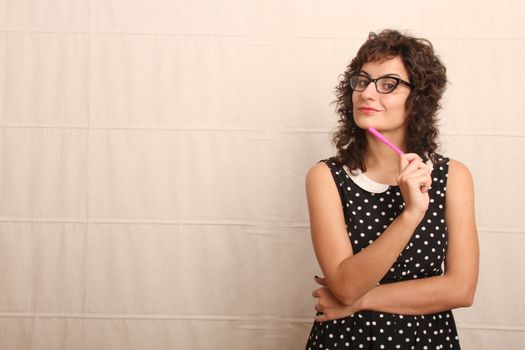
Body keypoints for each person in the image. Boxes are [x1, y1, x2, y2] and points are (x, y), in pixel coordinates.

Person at [304, 30, 479, 350]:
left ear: (418, 99)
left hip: (427, 342)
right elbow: (344, 286)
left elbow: (461, 289)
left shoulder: (453, 176)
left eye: (388, 85)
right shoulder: (326, 177)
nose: (367, 93)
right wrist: (411, 214)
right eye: (362, 81)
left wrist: (361, 300)